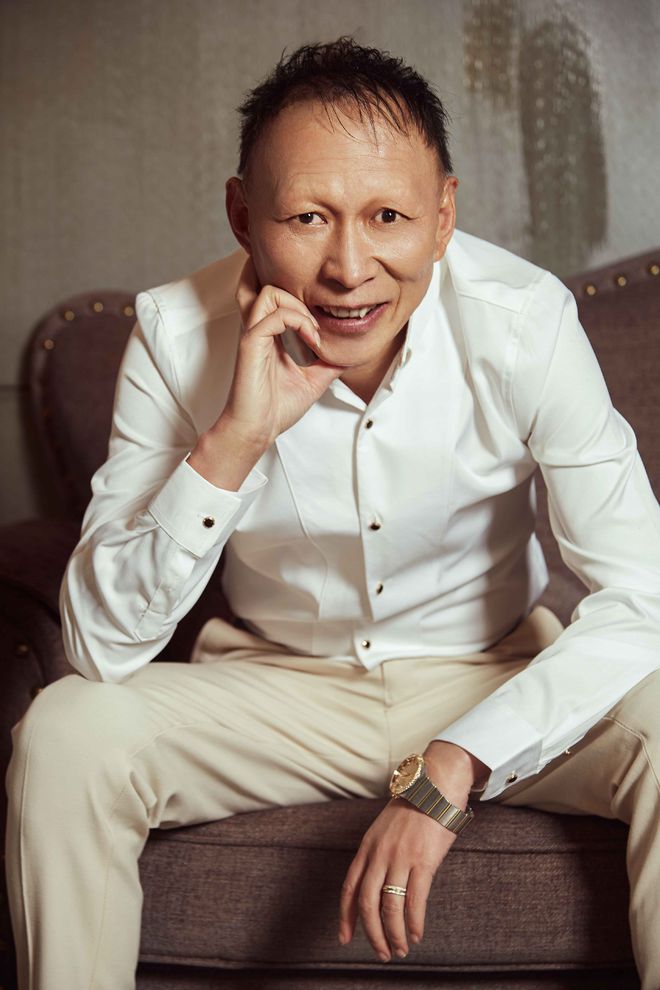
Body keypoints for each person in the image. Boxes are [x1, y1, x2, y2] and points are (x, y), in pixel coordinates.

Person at [6, 36, 660, 990]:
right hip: (275, 691)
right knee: (67, 731)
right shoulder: (174, 334)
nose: (350, 268)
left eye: (389, 216)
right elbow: (100, 647)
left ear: (443, 216)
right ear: (242, 215)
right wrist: (236, 438)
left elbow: (643, 594)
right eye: (308, 216)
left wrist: (460, 759)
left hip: (488, 676)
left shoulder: (525, 320)